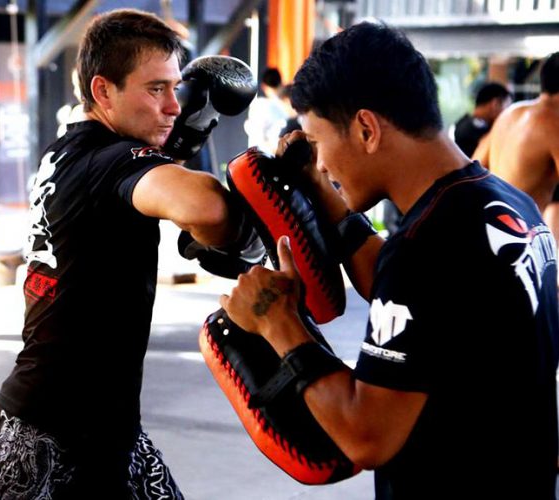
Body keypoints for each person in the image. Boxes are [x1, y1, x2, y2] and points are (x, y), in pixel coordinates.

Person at [220, 22, 559, 499]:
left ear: (366, 128)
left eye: (317, 144)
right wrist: (324, 197)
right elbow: (421, 302)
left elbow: (367, 436)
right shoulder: (503, 203)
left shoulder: (425, 247)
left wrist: (278, 322)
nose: (320, 164)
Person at [0, 9, 261, 499]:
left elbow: (129, 181)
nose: (173, 106)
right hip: (44, 439)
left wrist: (178, 144)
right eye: (155, 90)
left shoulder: (70, 150)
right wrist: (250, 231)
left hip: (110, 432)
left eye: (177, 88)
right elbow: (206, 207)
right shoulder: (107, 163)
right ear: (103, 91)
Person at [474, 52, 559, 248]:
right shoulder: (554, 124)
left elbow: (475, 163)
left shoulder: (509, 114)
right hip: (519, 242)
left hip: (488, 231)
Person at [451, 81, 511, 157]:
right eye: (507, 107)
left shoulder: (464, 123)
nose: (507, 113)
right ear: (495, 104)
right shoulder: (471, 128)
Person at [244, 67, 289, 153]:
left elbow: (258, 136)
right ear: (281, 82)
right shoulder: (289, 105)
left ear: (264, 87)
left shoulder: (259, 106)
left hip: (267, 155)